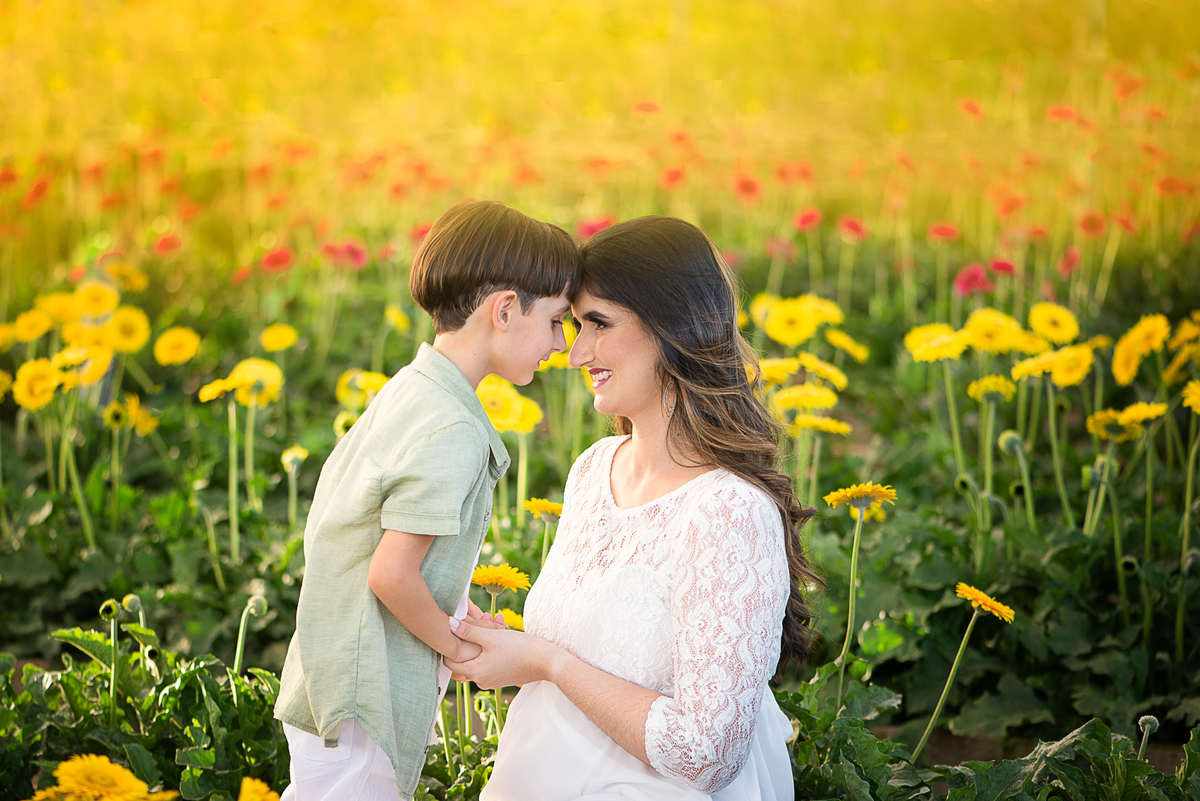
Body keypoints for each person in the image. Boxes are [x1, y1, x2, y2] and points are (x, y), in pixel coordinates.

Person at [446, 215, 822, 800]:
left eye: (599, 324)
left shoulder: (730, 512)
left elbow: (707, 754)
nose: (577, 353)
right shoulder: (594, 470)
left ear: (673, 326)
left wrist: (547, 664)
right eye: (573, 326)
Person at [274, 200, 579, 801]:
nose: (560, 344)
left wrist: (459, 610)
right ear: (506, 310)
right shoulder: (454, 430)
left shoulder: (410, 391)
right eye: (556, 321)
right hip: (368, 699)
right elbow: (391, 573)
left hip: (333, 674)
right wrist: (458, 644)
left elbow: (369, 538)